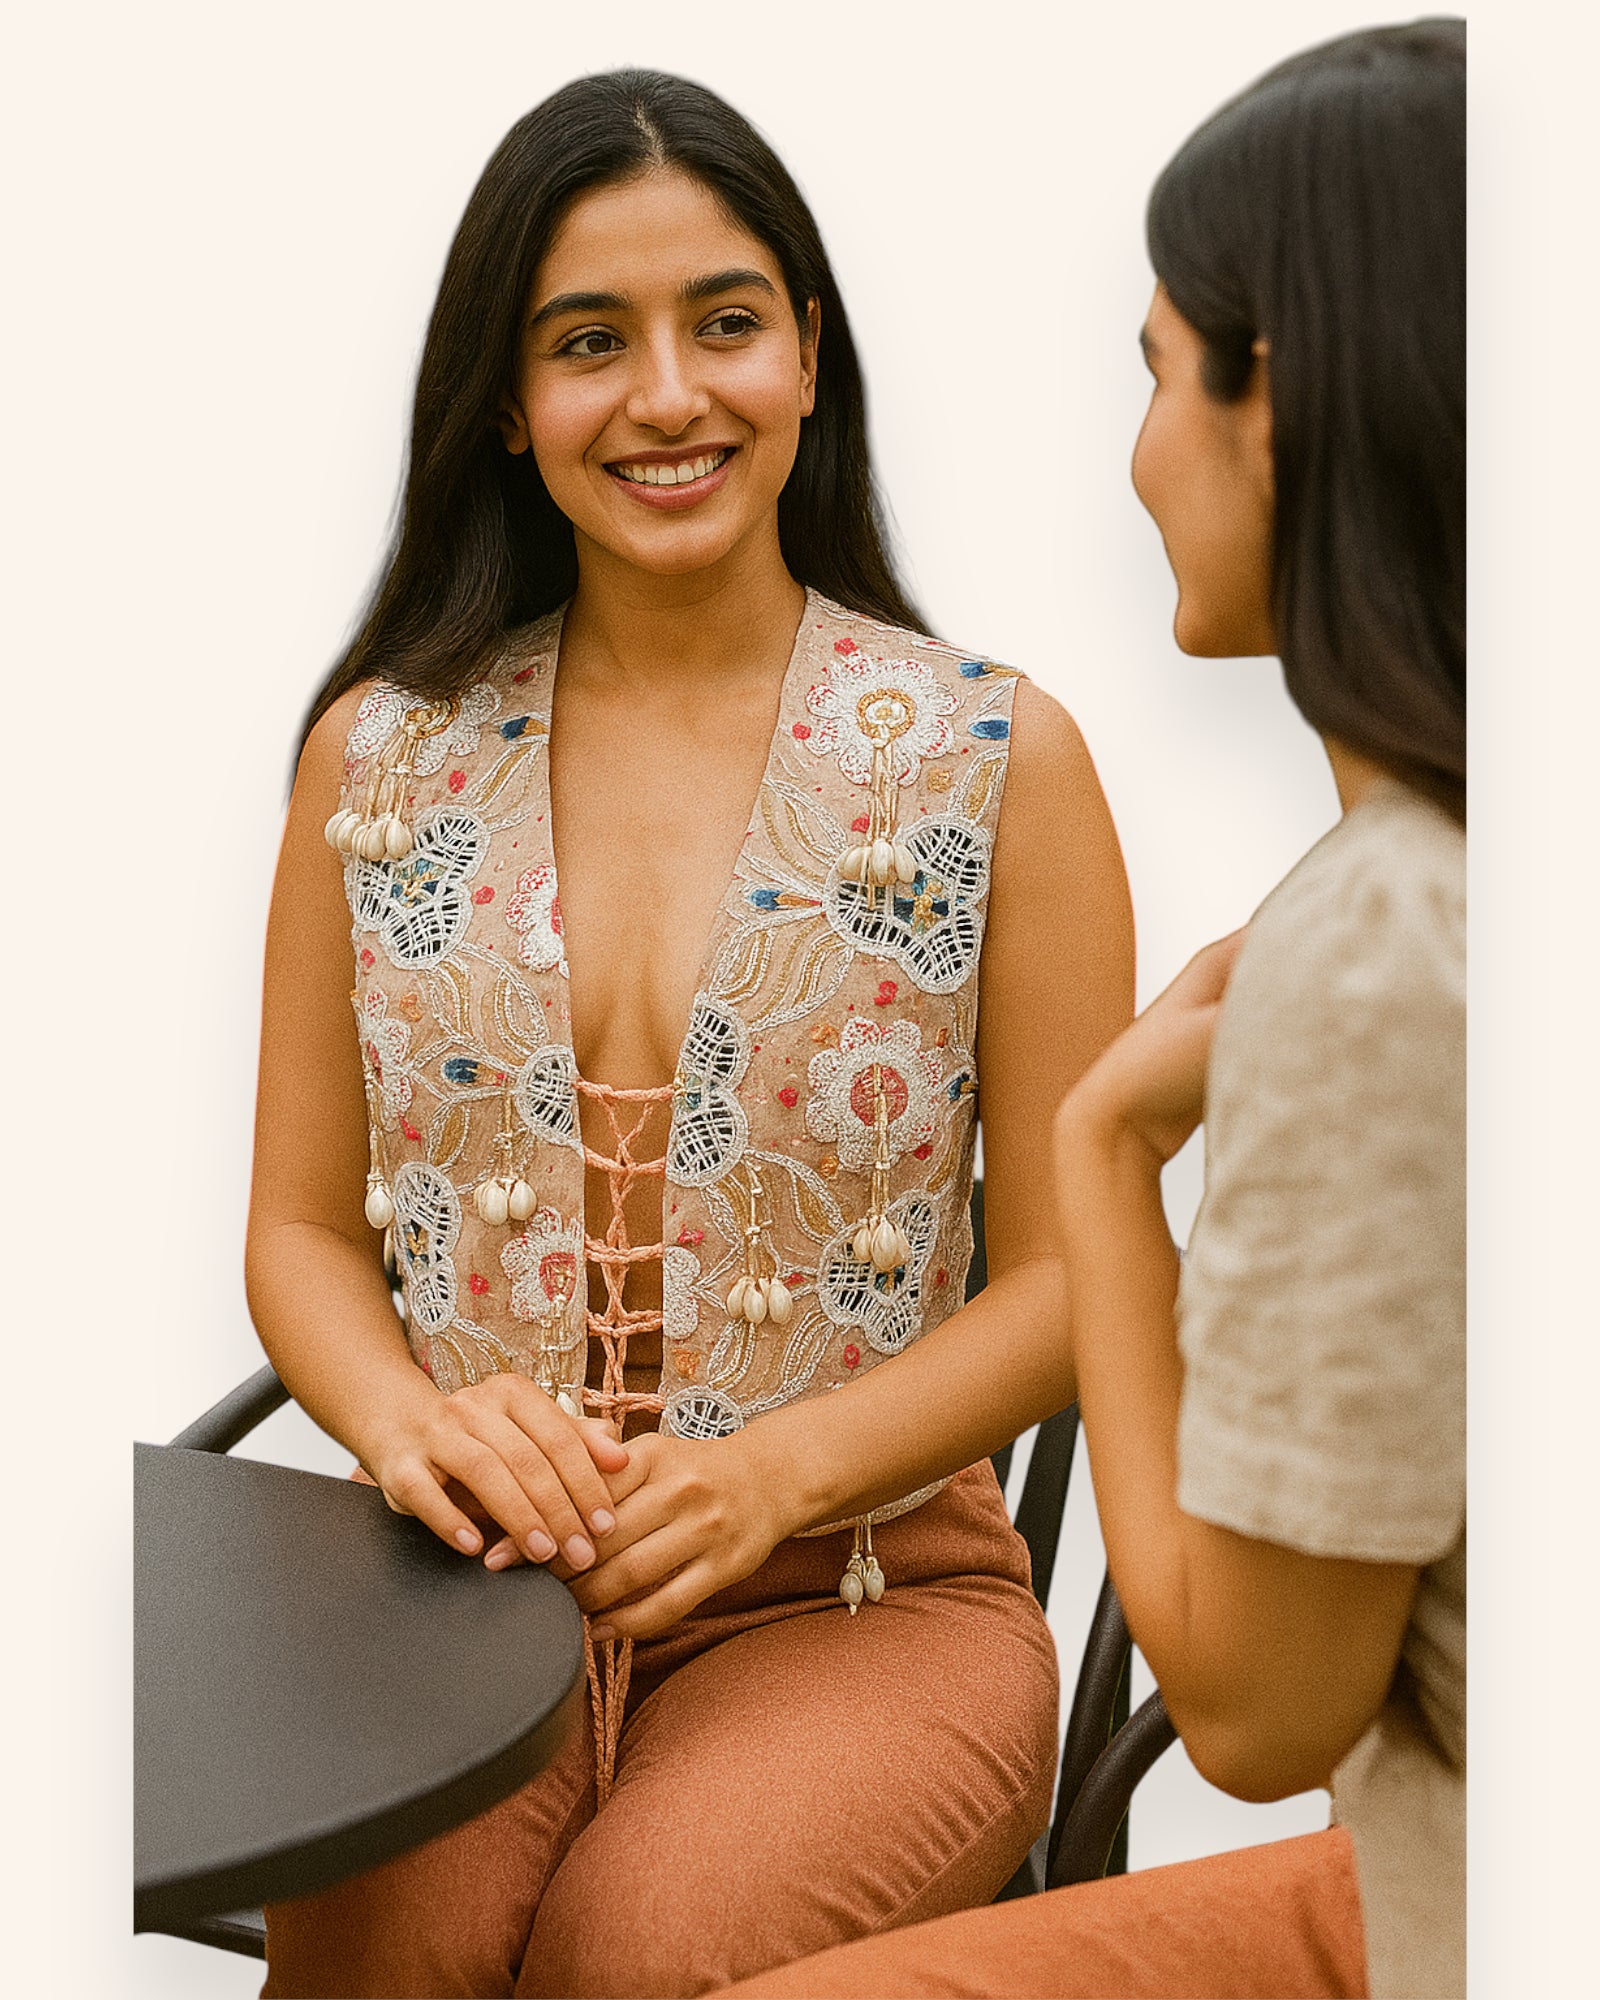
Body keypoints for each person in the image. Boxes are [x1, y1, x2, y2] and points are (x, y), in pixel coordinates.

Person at [246, 68, 1134, 1999]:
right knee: (379, 1950)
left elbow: (1082, 1283)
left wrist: (777, 1480)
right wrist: (407, 1420)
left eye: (727, 322)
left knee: (636, 1954)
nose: (667, 395)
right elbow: (301, 1233)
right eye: (589, 342)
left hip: (875, 1596)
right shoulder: (373, 760)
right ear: (505, 400)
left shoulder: (1000, 763)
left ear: (810, 356)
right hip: (461, 1594)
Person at [719, 19, 1465, 2000]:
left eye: (1150, 370)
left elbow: (1241, 1709)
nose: (1128, 450)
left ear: (1276, 406)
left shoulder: (1380, 945)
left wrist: (1098, 1143)